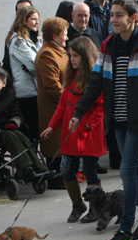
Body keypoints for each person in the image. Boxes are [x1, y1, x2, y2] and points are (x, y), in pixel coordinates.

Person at [67, 0, 138, 240]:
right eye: (112, 15)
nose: (113, 20)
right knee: (132, 170)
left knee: (126, 170)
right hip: (119, 119)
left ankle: (125, 229)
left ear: (134, 18)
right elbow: (95, 84)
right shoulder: (107, 45)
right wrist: (79, 112)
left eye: (119, 15)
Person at [40, 36, 105, 221]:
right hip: (71, 132)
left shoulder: (95, 78)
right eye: (71, 56)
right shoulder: (70, 77)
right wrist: (52, 127)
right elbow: (62, 106)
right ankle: (77, 204)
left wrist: (85, 125)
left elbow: (100, 108)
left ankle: (96, 207)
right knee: (67, 168)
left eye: (76, 55)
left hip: (88, 133)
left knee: (91, 171)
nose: (72, 59)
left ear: (86, 56)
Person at [35, 15, 70, 164]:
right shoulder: (47, 54)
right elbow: (52, 86)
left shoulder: (59, 51)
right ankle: (55, 175)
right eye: (65, 34)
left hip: (63, 107)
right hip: (54, 108)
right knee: (55, 146)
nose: (67, 38)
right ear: (55, 35)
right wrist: (69, 102)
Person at [6, 5, 43, 137]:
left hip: (37, 90)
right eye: (33, 19)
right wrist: (41, 64)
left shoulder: (37, 40)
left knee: (38, 131)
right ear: (24, 20)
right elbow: (35, 64)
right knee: (31, 132)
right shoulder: (18, 42)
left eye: (38, 19)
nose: (37, 22)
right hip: (26, 93)